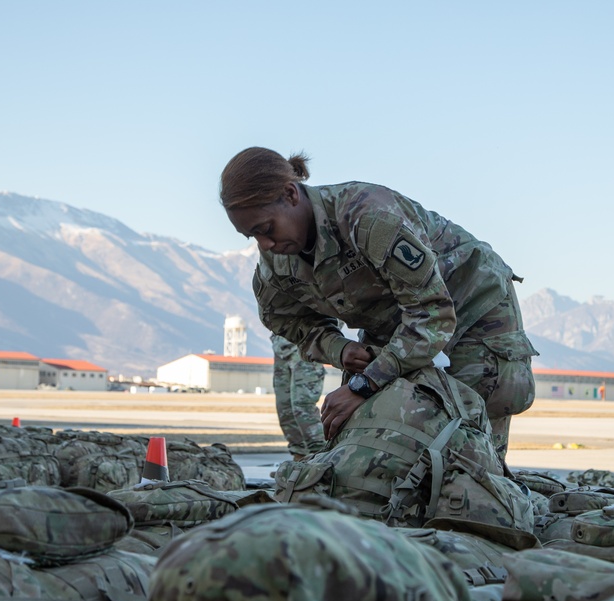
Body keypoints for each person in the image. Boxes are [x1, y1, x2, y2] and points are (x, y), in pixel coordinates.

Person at [221, 147, 538, 458]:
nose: (265, 244)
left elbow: (431, 315)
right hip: (399, 325)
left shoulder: (368, 217)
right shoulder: (274, 265)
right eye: (252, 236)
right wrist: (340, 349)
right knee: (371, 449)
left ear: (291, 195)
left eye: (266, 229)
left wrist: (363, 385)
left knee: (465, 450)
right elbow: (287, 320)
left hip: (471, 309)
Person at [272, 333, 327, 460]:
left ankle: (320, 459)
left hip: (305, 347)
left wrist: (316, 340)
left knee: (303, 406)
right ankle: (299, 457)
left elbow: (333, 319)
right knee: (284, 407)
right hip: (281, 348)